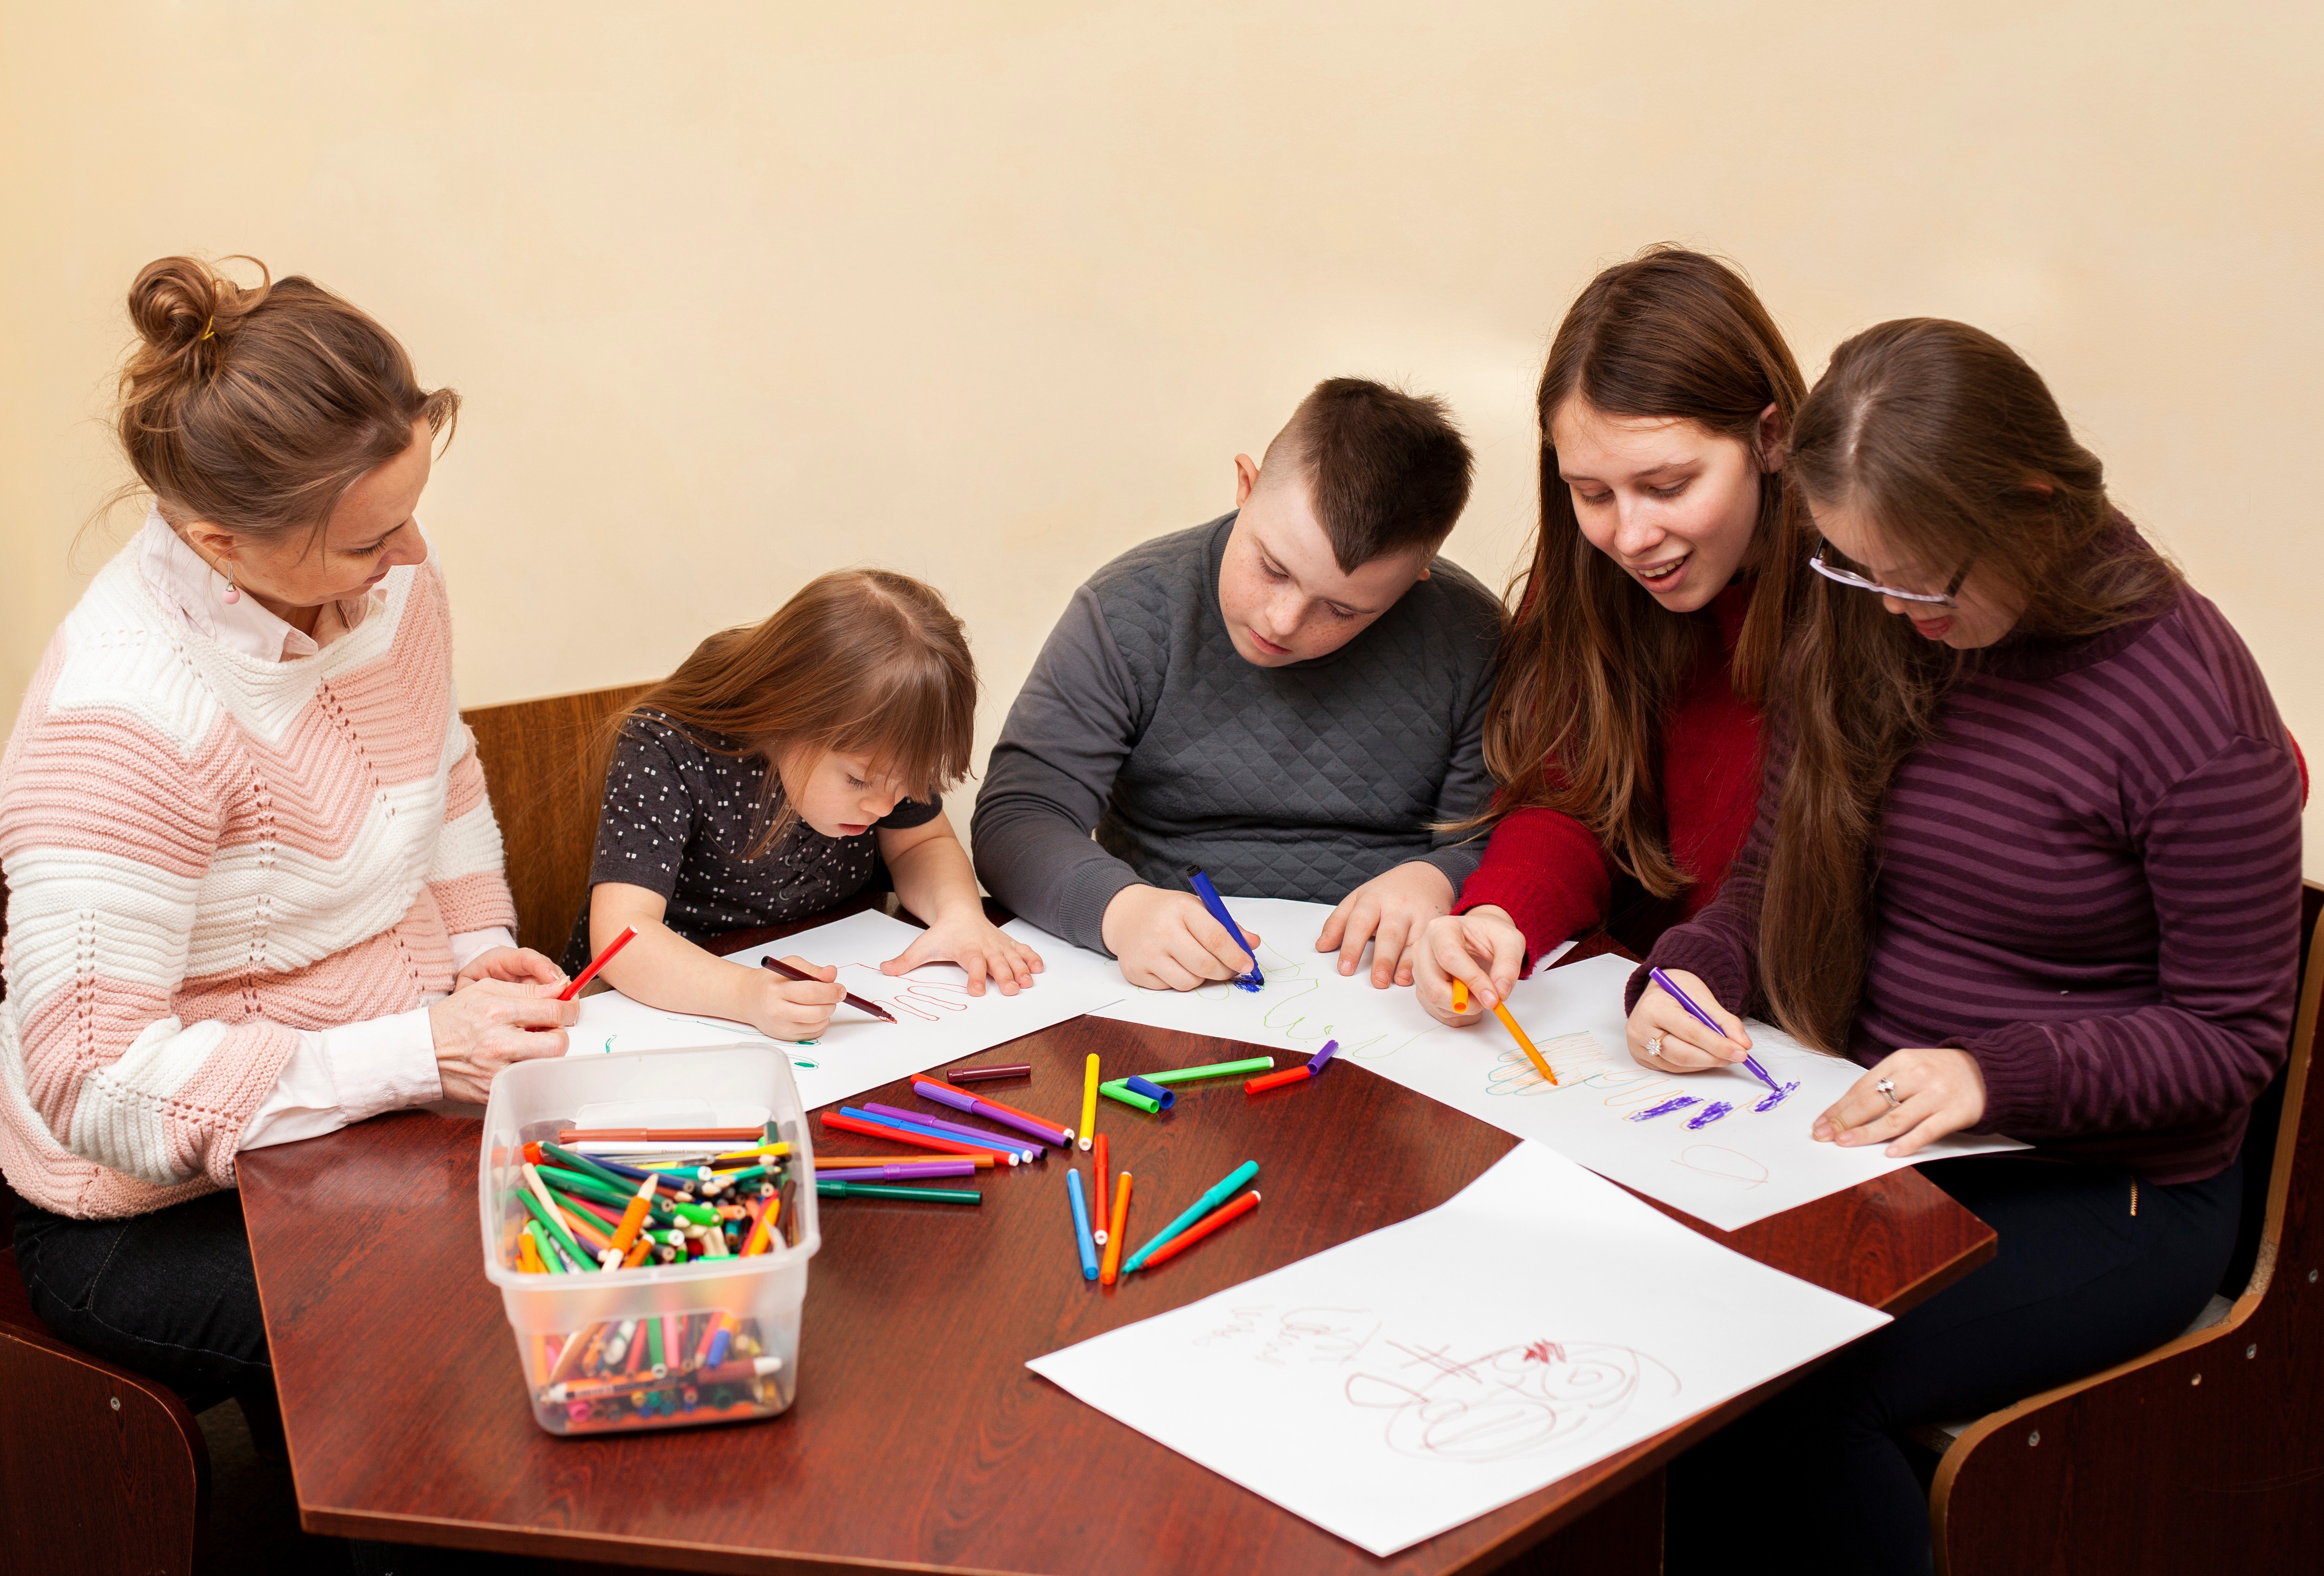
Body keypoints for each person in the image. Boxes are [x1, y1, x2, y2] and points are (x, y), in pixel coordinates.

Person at [1623, 319, 2304, 1575]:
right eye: (1854, 568)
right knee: (1656, 1315)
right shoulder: (1873, 613)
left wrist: (1990, 1073)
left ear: (2031, 504)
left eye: (1924, 578)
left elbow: (2230, 1042)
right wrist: (1693, 971)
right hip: (1876, 1126)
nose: (1894, 610)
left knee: (1803, 1385)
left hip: (2112, 1186)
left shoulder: (2194, 714)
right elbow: (1775, 869)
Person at [0, 255, 575, 1432]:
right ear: (220, 542)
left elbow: (442, 764)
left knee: (586, 1247)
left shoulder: (386, 570)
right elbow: (94, 1083)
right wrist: (423, 1053)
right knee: (444, 1339)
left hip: (369, 1117)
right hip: (146, 1209)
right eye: (370, 541)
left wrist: (479, 954)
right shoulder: (122, 720)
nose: (410, 559)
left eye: (411, 515)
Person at [973, 377, 1499, 991]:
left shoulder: (1473, 637)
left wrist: (1441, 878)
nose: (1284, 621)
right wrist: (1121, 911)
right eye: (1273, 568)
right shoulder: (1127, 611)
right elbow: (1020, 815)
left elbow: (1506, 838)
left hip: (1392, 983)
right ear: (1245, 487)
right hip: (1167, 977)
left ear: (1415, 578)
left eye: (1343, 611)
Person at [1405, 246, 1810, 1027]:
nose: (1629, 535)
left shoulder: (1873, 604)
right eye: (1591, 493)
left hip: (1786, 1033)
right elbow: (1570, 799)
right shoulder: (1587, 589)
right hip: (1634, 1012)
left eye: (1668, 487)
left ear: (1772, 438)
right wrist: (1499, 918)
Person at [568, 570, 1042, 1040]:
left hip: (823, 964)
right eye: (857, 779)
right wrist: (744, 994)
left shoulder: (884, 742)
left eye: (905, 786)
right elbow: (621, 937)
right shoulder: (666, 745)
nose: (882, 806)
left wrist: (958, 913)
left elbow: (921, 843)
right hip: (666, 1011)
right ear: (783, 711)